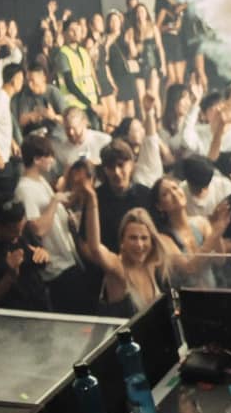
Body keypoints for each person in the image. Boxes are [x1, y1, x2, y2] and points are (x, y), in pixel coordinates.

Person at [72, 185, 176, 320]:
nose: (139, 245)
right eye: (133, 238)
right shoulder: (117, 268)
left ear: (151, 241)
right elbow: (95, 248)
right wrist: (92, 201)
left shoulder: (152, 265)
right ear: (122, 242)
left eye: (144, 238)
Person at [14, 134, 90, 314]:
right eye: (48, 156)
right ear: (37, 159)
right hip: (55, 268)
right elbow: (37, 229)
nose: (52, 160)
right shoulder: (25, 189)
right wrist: (55, 201)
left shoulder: (40, 180)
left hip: (68, 259)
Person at [0, 195, 51, 311]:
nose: (19, 235)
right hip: (13, 315)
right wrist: (10, 276)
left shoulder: (21, 233)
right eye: (14, 231)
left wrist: (43, 254)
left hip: (40, 306)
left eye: (21, 228)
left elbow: (36, 259)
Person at [93, 141, 158, 253]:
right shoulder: (95, 198)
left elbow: (157, 234)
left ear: (131, 164)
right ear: (104, 169)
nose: (117, 172)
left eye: (121, 165)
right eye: (111, 167)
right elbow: (85, 242)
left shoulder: (146, 195)